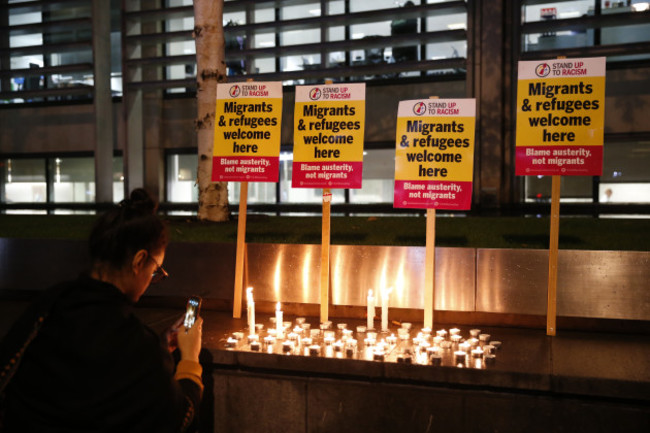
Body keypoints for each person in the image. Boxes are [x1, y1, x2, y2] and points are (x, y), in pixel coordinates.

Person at [0, 189, 203, 432]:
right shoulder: (134, 343)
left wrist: (158, 346)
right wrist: (190, 359)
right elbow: (177, 417)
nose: (152, 279)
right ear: (139, 262)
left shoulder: (52, 301)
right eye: (156, 270)